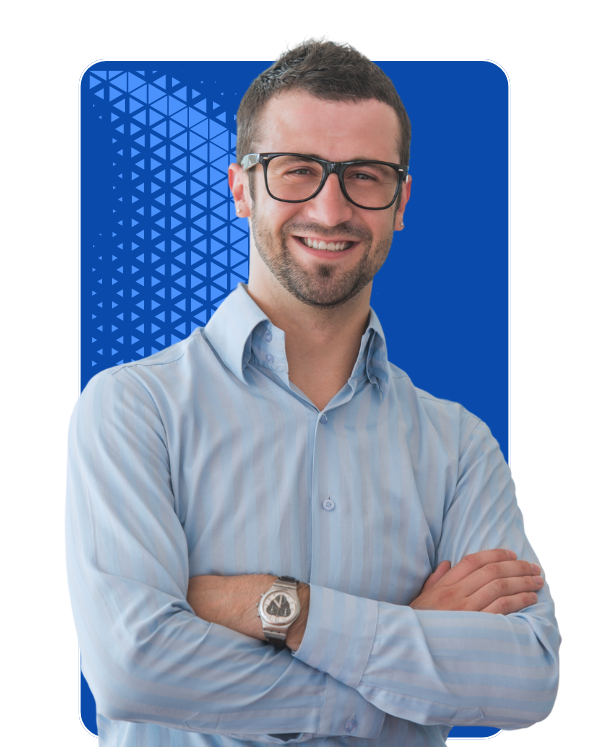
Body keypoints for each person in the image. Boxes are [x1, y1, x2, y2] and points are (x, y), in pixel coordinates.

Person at [65, 39, 560, 747]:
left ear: (400, 201)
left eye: (363, 176)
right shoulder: (130, 411)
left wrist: (280, 606)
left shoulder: (457, 447)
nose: (330, 210)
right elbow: (136, 668)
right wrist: (405, 657)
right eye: (296, 171)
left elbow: (526, 674)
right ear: (241, 187)